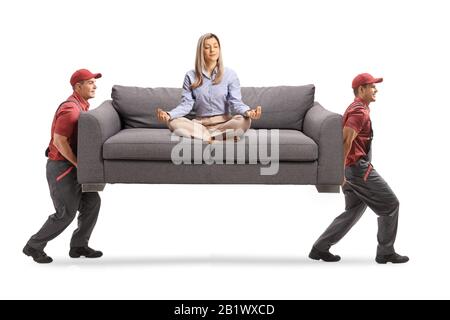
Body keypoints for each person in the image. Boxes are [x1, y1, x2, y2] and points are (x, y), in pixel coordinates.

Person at [309, 73, 409, 264]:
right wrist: (338, 172)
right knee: (390, 205)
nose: (376, 89)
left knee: (354, 210)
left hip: (350, 169)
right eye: (372, 86)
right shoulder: (358, 112)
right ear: (361, 89)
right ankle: (386, 252)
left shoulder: (359, 108)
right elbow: (345, 140)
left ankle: (320, 248)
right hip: (356, 169)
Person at [23, 69, 104, 264]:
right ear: (78, 86)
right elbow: (60, 141)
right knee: (65, 213)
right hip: (62, 168)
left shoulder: (81, 106)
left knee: (92, 202)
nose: (95, 86)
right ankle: (34, 245)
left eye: (95, 82)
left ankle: (78, 246)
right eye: (90, 82)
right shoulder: (71, 109)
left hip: (73, 167)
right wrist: (79, 164)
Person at [156, 33, 262, 142]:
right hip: (200, 125)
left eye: (216, 46)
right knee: (173, 122)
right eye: (207, 47)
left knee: (244, 121)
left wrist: (248, 112)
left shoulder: (230, 74)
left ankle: (207, 137)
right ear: (201, 51)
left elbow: (235, 102)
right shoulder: (190, 76)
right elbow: (186, 104)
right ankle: (218, 137)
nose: (212, 50)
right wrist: (169, 115)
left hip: (224, 123)